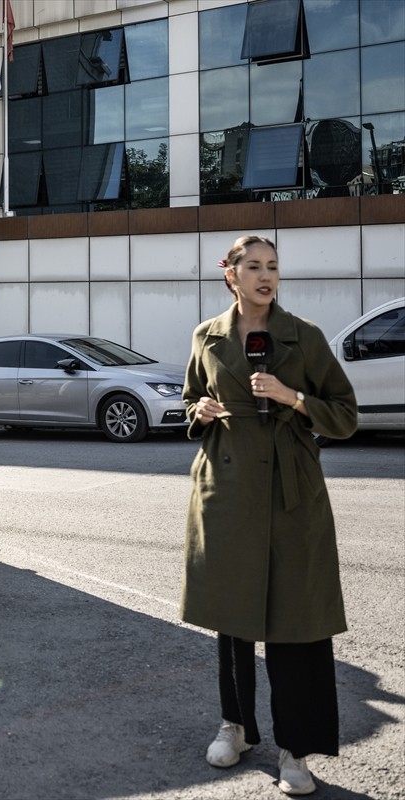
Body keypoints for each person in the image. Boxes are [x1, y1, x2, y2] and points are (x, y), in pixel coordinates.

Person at [181, 235, 358, 796]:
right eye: (253, 266)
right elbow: (189, 399)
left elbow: (345, 416)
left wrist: (293, 397)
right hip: (227, 488)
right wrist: (200, 410)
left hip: (291, 491)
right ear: (229, 274)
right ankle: (235, 727)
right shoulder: (206, 336)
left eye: (273, 267)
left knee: (297, 622)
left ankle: (295, 749)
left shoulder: (303, 337)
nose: (265, 275)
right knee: (232, 618)